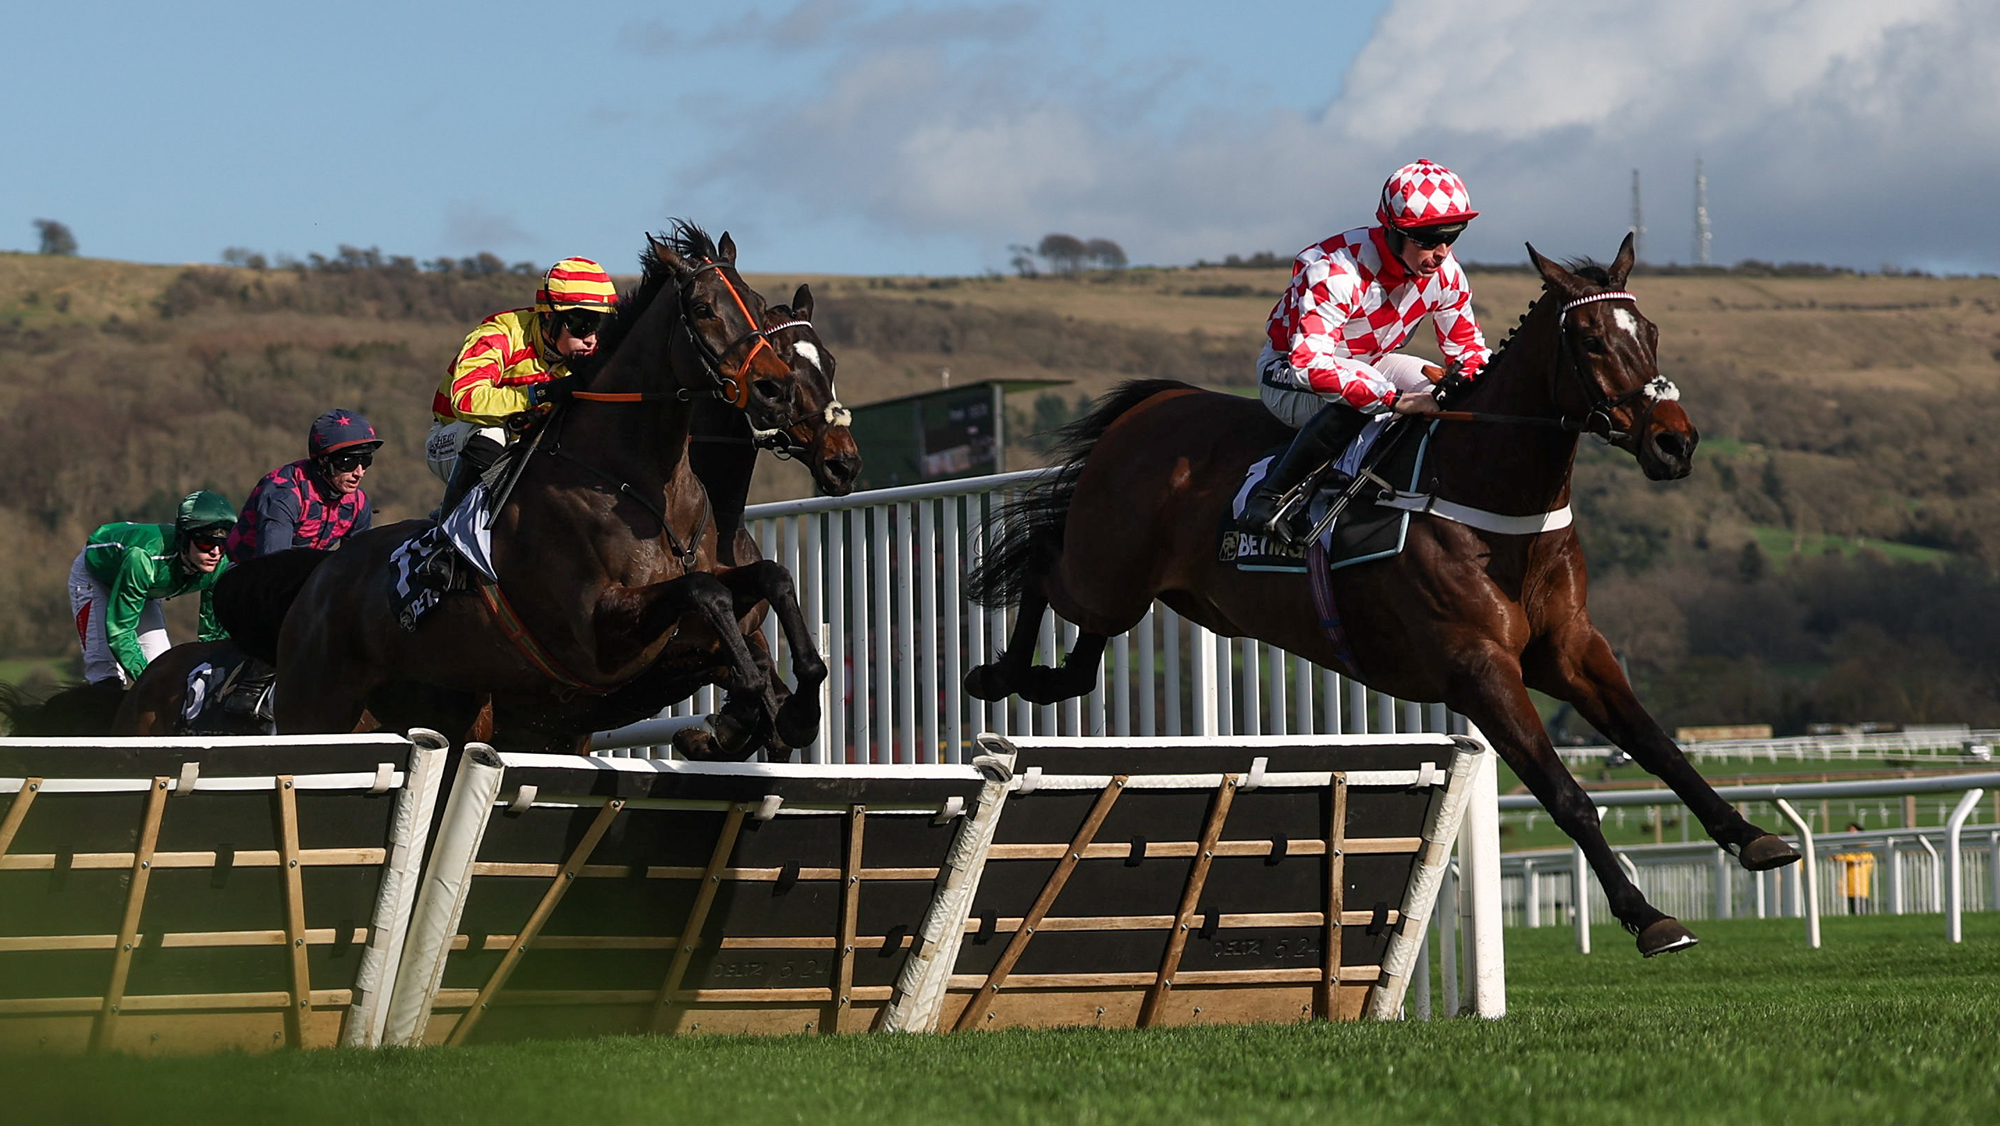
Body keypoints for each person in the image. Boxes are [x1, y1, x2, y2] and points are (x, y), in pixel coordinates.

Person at [1240, 158, 1494, 544]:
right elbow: (1310, 365)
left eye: (1452, 236)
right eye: (1427, 239)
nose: (1441, 252)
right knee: (1370, 390)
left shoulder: (1446, 274)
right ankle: (1269, 500)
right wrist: (1393, 399)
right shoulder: (1334, 271)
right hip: (1289, 372)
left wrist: (1472, 381)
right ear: (1392, 232)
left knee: (1448, 395)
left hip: (1372, 364)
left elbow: (1468, 350)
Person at [427, 257, 619, 515]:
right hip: (452, 438)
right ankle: (448, 538)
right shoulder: (500, 334)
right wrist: (540, 392)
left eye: (601, 326)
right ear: (549, 316)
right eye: (582, 325)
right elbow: (466, 399)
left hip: (525, 448)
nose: (591, 340)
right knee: (491, 434)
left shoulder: (589, 355)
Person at [69, 491, 235, 687]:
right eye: (206, 542)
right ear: (183, 538)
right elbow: (120, 631)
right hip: (96, 578)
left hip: (142, 587)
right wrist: (149, 684)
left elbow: (212, 635)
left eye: (222, 543)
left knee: (165, 668)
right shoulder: (142, 559)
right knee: (107, 675)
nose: (215, 553)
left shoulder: (218, 566)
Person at [224, 410, 381, 563]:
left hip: (297, 575)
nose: (360, 472)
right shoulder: (284, 494)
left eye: (366, 461)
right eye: (349, 463)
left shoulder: (358, 502)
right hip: (240, 573)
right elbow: (272, 569)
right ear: (323, 461)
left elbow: (356, 566)